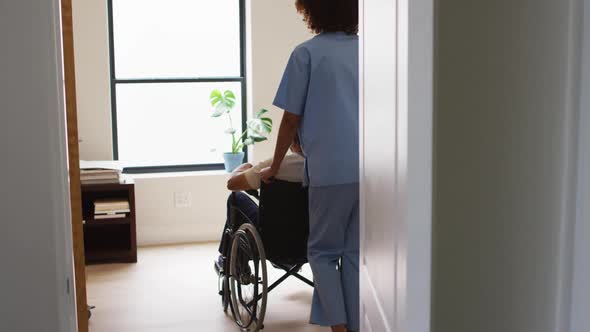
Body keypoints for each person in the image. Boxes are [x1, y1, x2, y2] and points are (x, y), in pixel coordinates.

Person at [260, 1, 359, 331]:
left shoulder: (306, 54)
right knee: (356, 254)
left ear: (313, 12)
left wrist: (274, 166)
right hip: (374, 171)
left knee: (323, 253)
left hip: (330, 171)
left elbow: (290, 118)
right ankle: (357, 323)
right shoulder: (373, 52)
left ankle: (339, 327)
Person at [215, 137, 304, 269]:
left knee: (236, 198)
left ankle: (228, 260)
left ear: (293, 142)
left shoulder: (275, 166)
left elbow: (232, 184)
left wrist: (241, 169)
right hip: (310, 242)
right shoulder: (326, 168)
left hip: (271, 242)